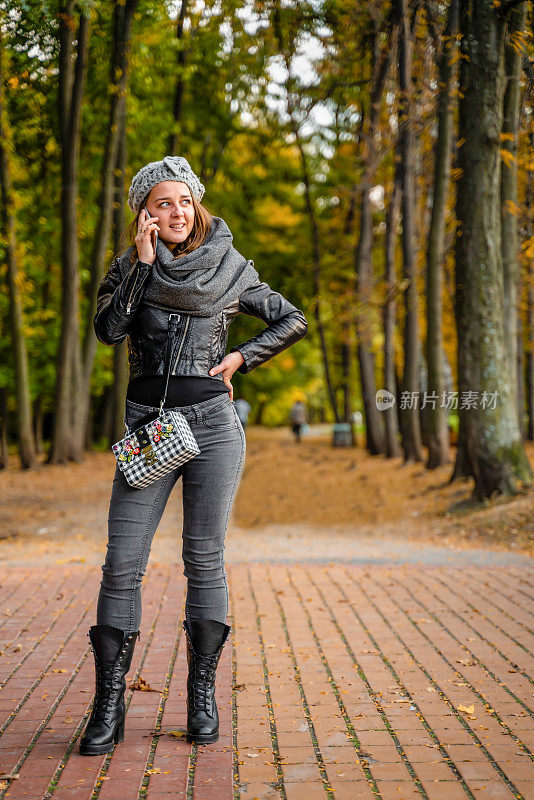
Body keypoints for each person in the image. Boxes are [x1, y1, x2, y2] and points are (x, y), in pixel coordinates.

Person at [79, 155, 308, 754]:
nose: (176, 211)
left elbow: (292, 319)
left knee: (204, 560)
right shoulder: (129, 269)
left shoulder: (232, 269)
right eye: (162, 203)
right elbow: (107, 331)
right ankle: (109, 702)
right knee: (121, 562)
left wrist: (241, 358)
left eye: (183, 200)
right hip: (150, 428)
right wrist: (142, 267)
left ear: (196, 205)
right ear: (144, 215)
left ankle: (201, 693)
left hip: (212, 427)